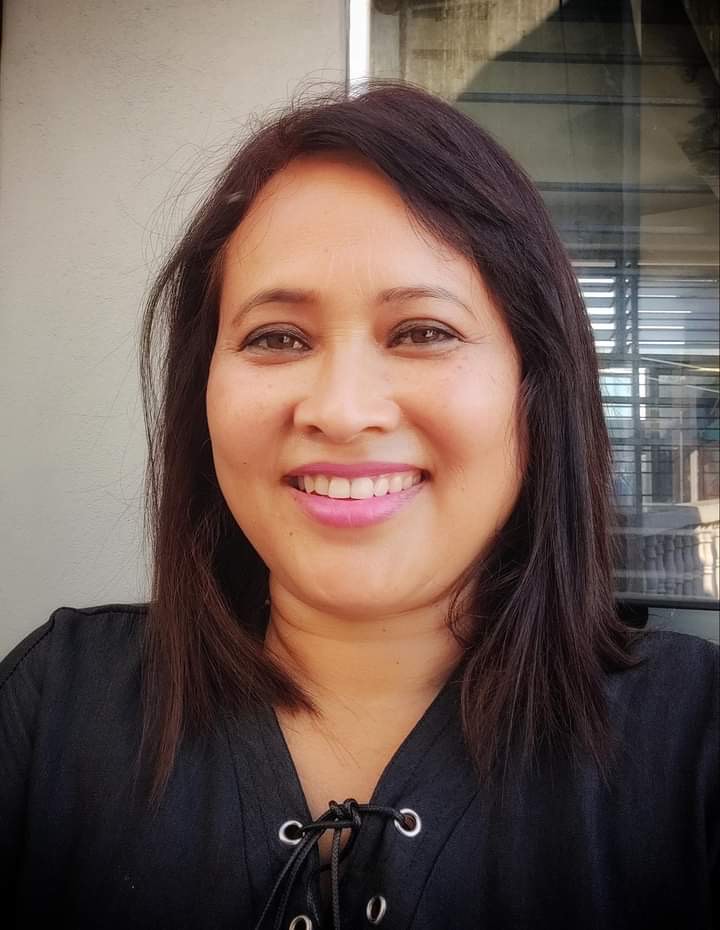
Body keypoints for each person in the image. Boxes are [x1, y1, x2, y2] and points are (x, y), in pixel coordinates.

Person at [1, 82, 717, 930]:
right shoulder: (56, 710)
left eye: (422, 332)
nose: (341, 412)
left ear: (536, 387)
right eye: (277, 338)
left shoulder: (694, 744)